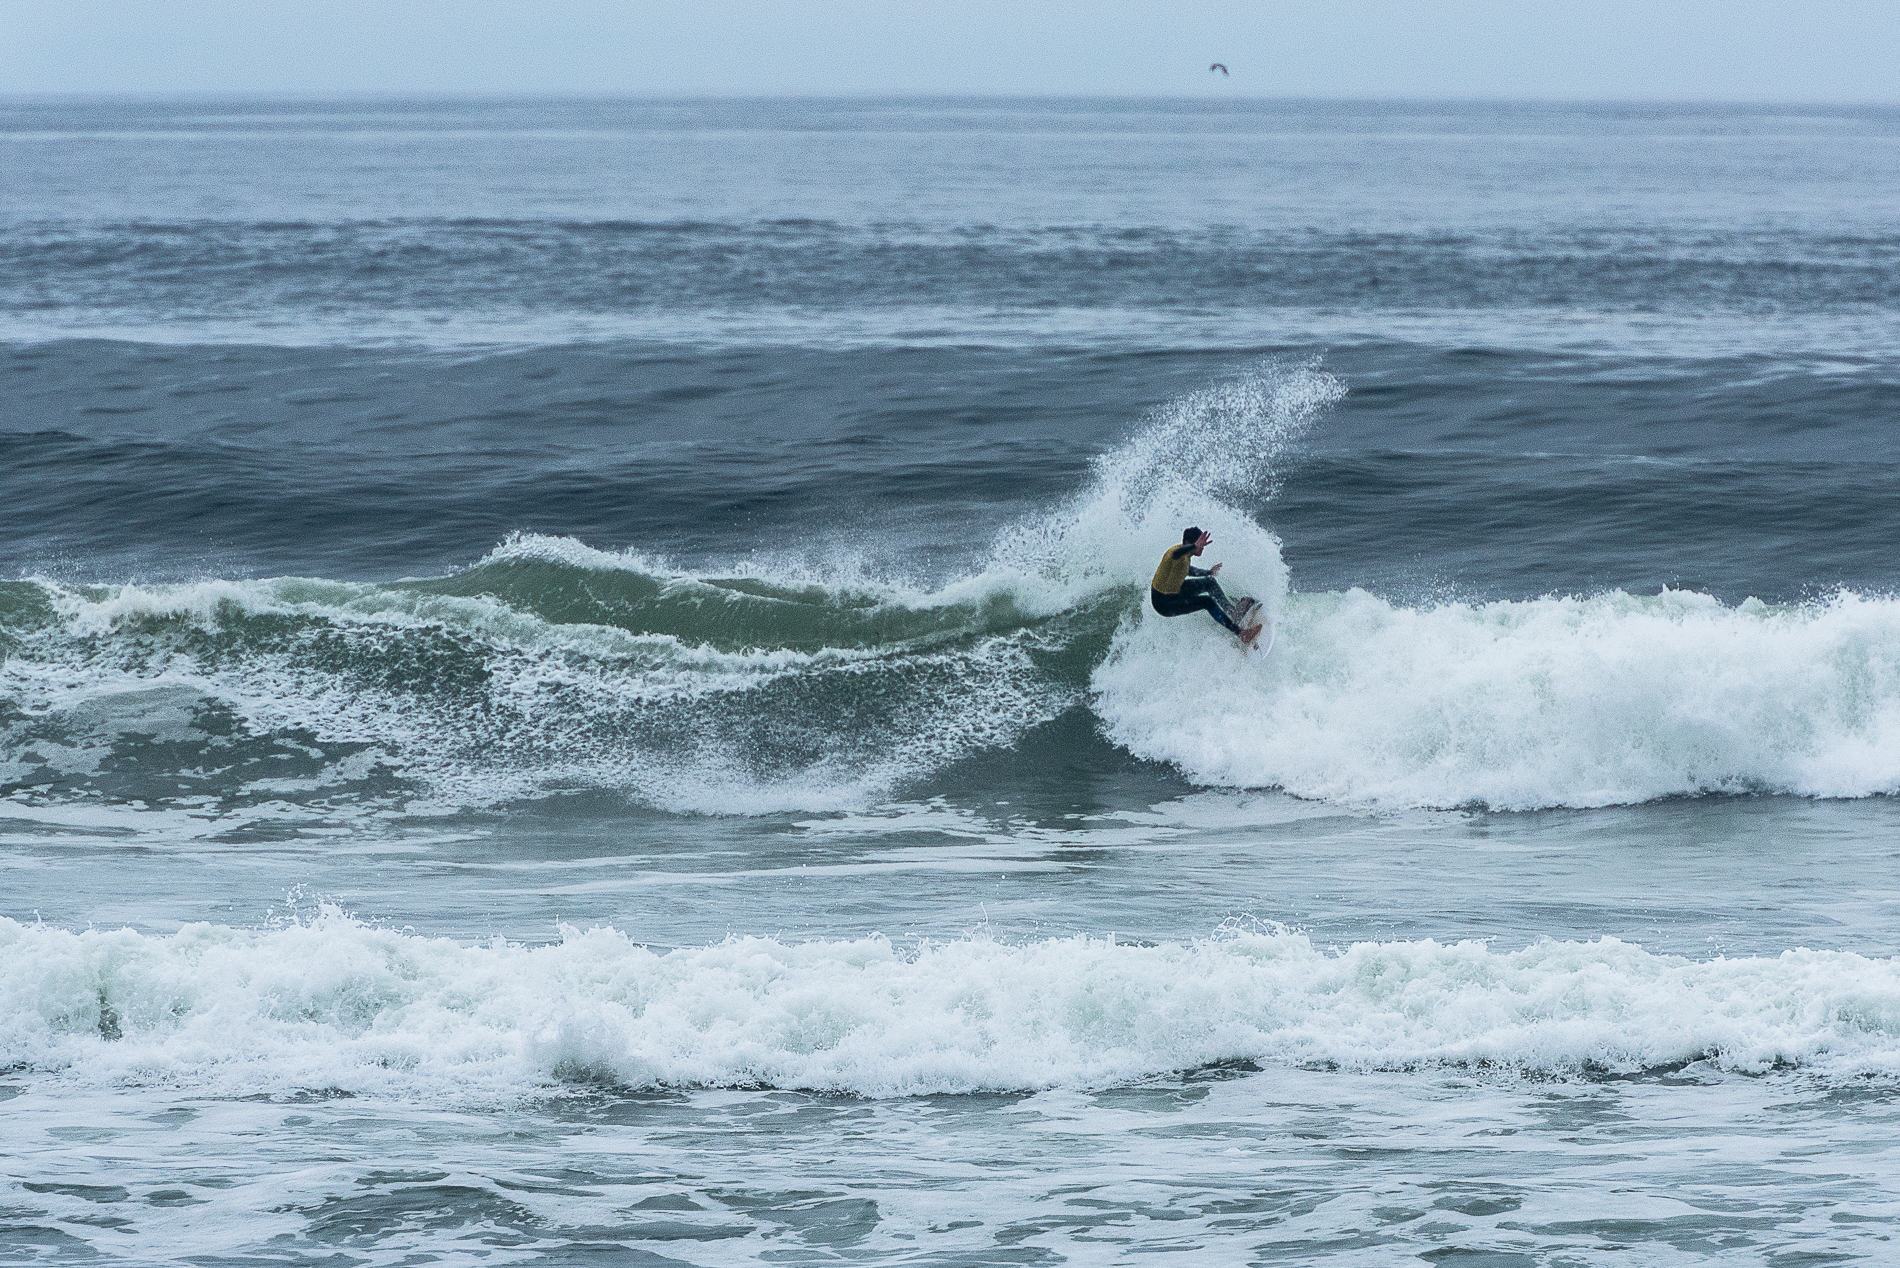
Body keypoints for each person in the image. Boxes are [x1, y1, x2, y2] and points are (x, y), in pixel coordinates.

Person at [1150, 526, 1258, 639]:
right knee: (1207, 601)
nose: (1202, 548)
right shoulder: (1175, 553)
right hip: (1163, 603)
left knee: (1210, 582)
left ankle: (1232, 612)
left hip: (1175, 590)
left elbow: (1187, 569)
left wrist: (1209, 572)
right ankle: (1242, 634)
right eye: (1200, 545)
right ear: (1188, 543)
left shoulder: (1186, 556)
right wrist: (1194, 546)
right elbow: (1175, 554)